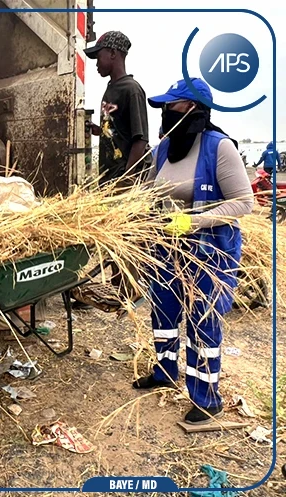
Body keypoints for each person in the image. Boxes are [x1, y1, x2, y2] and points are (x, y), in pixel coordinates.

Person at [132, 78, 253, 424]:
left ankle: (206, 398)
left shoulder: (219, 148)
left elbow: (243, 202)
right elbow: (149, 195)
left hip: (208, 253)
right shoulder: (163, 149)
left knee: (202, 322)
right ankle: (165, 372)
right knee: (164, 313)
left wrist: (194, 221)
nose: (165, 112)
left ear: (193, 109)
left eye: (172, 106)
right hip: (166, 250)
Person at [85, 30, 150, 186]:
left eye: (98, 57)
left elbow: (140, 139)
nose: (96, 64)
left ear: (113, 53)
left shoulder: (131, 90)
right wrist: (99, 130)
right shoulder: (111, 87)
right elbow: (117, 130)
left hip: (123, 179)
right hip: (109, 177)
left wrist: (127, 177)